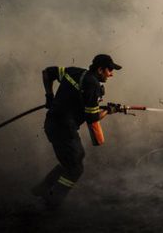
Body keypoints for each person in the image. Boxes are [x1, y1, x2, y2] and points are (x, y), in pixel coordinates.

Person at [32, 54, 125, 208]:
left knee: (76, 157)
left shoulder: (76, 72)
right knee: (75, 169)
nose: (111, 74)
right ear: (100, 69)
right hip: (63, 129)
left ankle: (41, 189)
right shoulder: (93, 86)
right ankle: (51, 202)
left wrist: (49, 96)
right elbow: (92, 117)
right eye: (109, 70)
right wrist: (109, 111)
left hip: (53, 124)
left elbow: (47, 73)